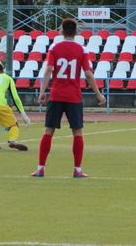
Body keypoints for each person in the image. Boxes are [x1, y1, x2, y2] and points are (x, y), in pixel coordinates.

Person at [33, 18, 106, 178]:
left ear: (61, 31)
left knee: (49, 130)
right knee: (77, 131)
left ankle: (40, 168)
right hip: (73, 96)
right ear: (76, 32)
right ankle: (77, 170)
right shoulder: (82, 50)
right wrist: (98, 93)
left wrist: (42, 91)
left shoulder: (54, 47)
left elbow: (48, 70)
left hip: (56, 94)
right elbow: (88, 73)